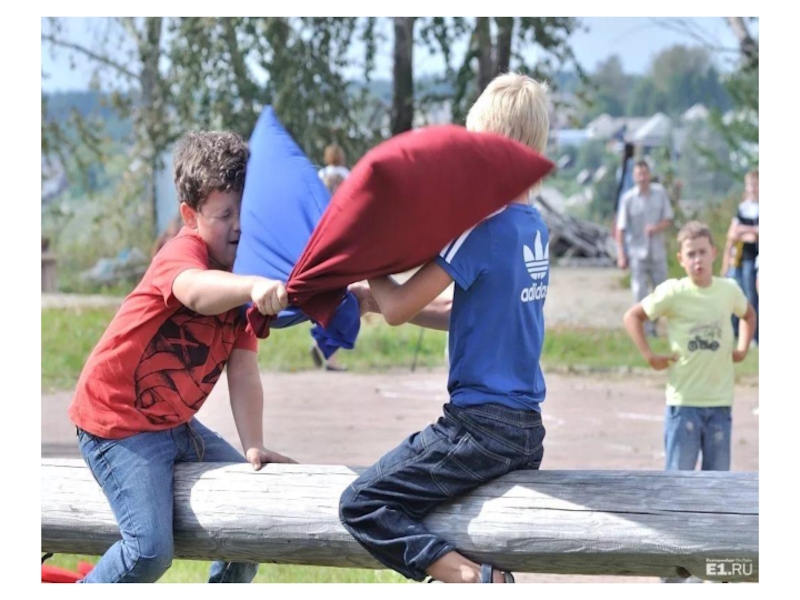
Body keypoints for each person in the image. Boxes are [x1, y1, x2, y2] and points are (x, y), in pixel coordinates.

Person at [338, 72, 550, 584]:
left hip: (478, 429)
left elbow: (399, 307)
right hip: (525, 430)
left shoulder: (480, 230)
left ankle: (474, 581)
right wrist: (375, 301)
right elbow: (469, 312)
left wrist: (368, 262)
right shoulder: (533, 227)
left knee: (362, 503)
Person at [67, 130, 295, 583]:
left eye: (245, 211)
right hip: (116, 426)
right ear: (190, 215)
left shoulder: (243, 270)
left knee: (248, 526)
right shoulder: (183, 253)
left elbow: (243, 370)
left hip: (175, 426)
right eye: (224, 214)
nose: (238, 225)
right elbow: (194, 291)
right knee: (148, 550)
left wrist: (252, 442)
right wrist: (251, 286)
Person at [623, 221, 755, 474]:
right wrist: (650, 356)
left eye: (702, 252)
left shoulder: (728, 290)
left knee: (717, 482)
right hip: (683, 404)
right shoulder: (674, 292)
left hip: (720, 404)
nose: (697, 260)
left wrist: (742, 348)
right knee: (678, 480)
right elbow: (632, 316)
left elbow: (748, 314)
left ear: (714, 253)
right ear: (680, 259)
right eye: (691, 254)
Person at [615, 160, 675, 338]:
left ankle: (654, 324)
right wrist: (621, 254)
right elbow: (620, 228)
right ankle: (644, 330)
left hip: (657, 251)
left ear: (649, 175)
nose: (642, 178)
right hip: (637, 253)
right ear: (634, 177)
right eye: (639, 175)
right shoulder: (628, 199)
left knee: (661, 292)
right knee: (639, 292)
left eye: (645, 174)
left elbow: (668, 218)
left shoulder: (660, 193)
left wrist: (656, 228)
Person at [309, 154, 350, 371]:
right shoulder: (345, 175)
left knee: (328, 304)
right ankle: (325, 349)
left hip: (320, 249)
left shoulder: (321, 175)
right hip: (338, 252)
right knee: (341, 305)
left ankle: (322, 345)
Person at [721, 169, 759, 346]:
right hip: (741, 259)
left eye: (755, 184)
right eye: (749, 184)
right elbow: (733, 234)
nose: (751, 188)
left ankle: (754, 335)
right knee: (740, 296)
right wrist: (751, 232)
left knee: (752, 297)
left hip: (755, 258)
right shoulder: (744, 208)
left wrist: (746, 232)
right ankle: (738, 333)